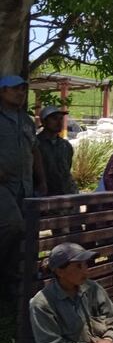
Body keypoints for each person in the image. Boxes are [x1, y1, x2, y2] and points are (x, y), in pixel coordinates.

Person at [0, 75, 44, 304]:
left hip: (24, 186)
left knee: (24, 232)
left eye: (23, 90)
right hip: (3, 186)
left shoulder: (26, 120)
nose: (20, 94)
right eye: (15, 89)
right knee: (13, 225)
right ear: (2, 91)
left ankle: (12, 283)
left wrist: (41, 180)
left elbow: (34, 150)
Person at [36, 106, 78, 196]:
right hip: (43, 193)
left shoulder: (66, 145)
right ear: (44, 121)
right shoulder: (36, 144)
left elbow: (67, 168)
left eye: (61, 119)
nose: (59, 122)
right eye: (54, 119)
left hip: (65, 193)